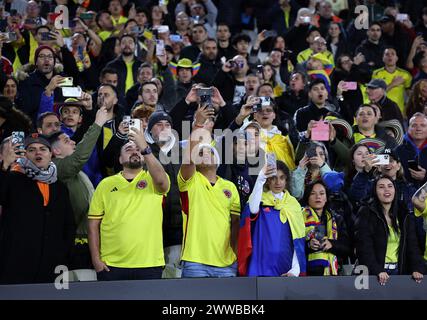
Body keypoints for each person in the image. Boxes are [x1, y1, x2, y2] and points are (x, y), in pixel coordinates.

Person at [88, 126, 170, 281]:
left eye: (138, 149)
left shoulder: (153, 178)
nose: (135, 151)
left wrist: (145, 148)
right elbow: (92, 225)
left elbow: (162, 182)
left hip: (149, 264)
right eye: (129, 149)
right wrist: (96, 260)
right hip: (111, 264)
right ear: (120, 159)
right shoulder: (105, 184)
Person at [0, 133, 75, 284]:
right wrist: (4, 166)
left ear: (51, 154)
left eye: (43, 149)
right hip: (17, 262)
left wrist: (64, 253)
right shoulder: (13, 179)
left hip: (54, 263)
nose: (38, 152)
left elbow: (68, 224)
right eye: (32, 150)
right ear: (25, 155)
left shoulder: (60, 187)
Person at [48, 106, 110, 270]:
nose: (73, 141)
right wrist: (97, 124)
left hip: (90, 239)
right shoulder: (57, 167)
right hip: (76, 243)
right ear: (55, 150)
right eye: (67, 141)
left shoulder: (74, 170)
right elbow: (81, 156)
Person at [178, 124, 240, 278]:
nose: (205, 154)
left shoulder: (230, 187)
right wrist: (198, 128)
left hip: (227, 263)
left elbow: (236, 223)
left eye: (210, 151)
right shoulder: (191, 180)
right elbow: (188, 162)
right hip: (194, 261)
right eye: (200, 152)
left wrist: (235, 253)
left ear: (217, 160)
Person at [238, 160, 306, 277]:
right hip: (260, 266)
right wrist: (260, 178)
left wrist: (295, 269)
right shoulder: (260, 199)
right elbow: (252, 210)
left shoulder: (293, 205)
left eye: (282, 178)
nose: (278, 182)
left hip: (285, 268)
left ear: (286, 180)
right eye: (273, 178)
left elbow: (298, 241)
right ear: (268, 180)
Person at [355, 175, 424, 285]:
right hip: (374, 274)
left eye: (390, 186)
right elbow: (364, 247)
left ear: (395, 190)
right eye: (381, 187)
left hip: (399, 272)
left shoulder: (404, 213)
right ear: (375, 192)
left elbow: (412, 245)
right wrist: (377, 270)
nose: (386, 189)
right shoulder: (366, 212)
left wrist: (416, 268)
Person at [303, 181, 351, 276]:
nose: (318, 197)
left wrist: (332, 244)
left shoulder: (337, 219)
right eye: (313, 193)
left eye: (321, 193)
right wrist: (308, 245)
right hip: (307, 273)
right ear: (307, 197)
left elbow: (347, 248)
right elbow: (293, 246)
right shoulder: (299, 217)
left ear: (326, 198)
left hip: (334, 273)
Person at [371, 47, 412, 115]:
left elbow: (410, 95)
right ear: (383, 58)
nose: (390, 56)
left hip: (400, 113)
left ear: (396, 58)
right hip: (382, 113)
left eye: (393, 54)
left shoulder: (405, 74)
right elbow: (376, 94)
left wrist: (407, 110)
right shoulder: (377, 74)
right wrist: (393, 84)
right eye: (387, 54)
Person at [395, 113, 427, 187]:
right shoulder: (397, 150)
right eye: (414, 125)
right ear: (408, 128)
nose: (418, 129)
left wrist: (425, 177)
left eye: (423, 125)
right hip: (404, 195)